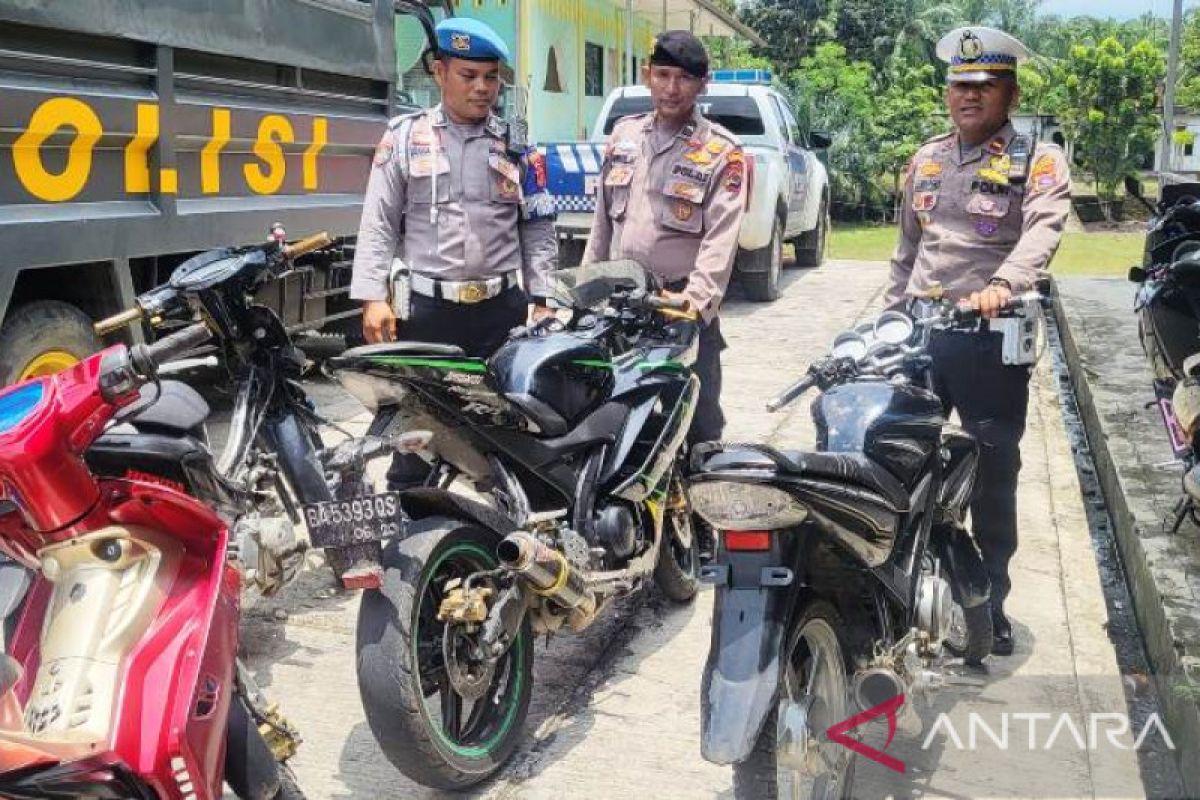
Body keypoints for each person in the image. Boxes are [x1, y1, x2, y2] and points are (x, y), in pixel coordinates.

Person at [884, 26, 1071, 656]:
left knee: (994, 472)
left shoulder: (1038, 161)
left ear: (1010, 94)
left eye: (984, 86)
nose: (969, 96)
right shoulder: (927, 159)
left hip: (989, 340)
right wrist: (886, 317)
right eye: (960, 85)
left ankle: (989, 605)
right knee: (898, 458)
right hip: (922, 337)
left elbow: (1042, 231)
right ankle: (903, 590)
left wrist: (1004, 282)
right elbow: (908, 250)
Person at [349, 17, 557, 490]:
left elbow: (539, 229)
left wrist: (543, 297)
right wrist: (371, 297)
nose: (483, 88)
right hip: (427, 314)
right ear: (439, 72)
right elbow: (378, 220)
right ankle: (418, 543)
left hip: (501, 315)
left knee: (508, 438)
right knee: (417, 439)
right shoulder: (404, 137)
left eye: (491, 77)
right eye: (469, 76)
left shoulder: (518, 144)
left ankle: (510, 543)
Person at [582, 30, 746, 448]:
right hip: (621, 304)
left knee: (696, 424)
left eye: (685, 79)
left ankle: (697, 507)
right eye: (663, 75)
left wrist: (696, 300)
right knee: (615, 421)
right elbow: (602, 222)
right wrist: (584, 288)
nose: (672, 89)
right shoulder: (623, 135)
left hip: (680, 309)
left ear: (703, 83)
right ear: (646, 75)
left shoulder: (721, 152)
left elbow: (721, 238)